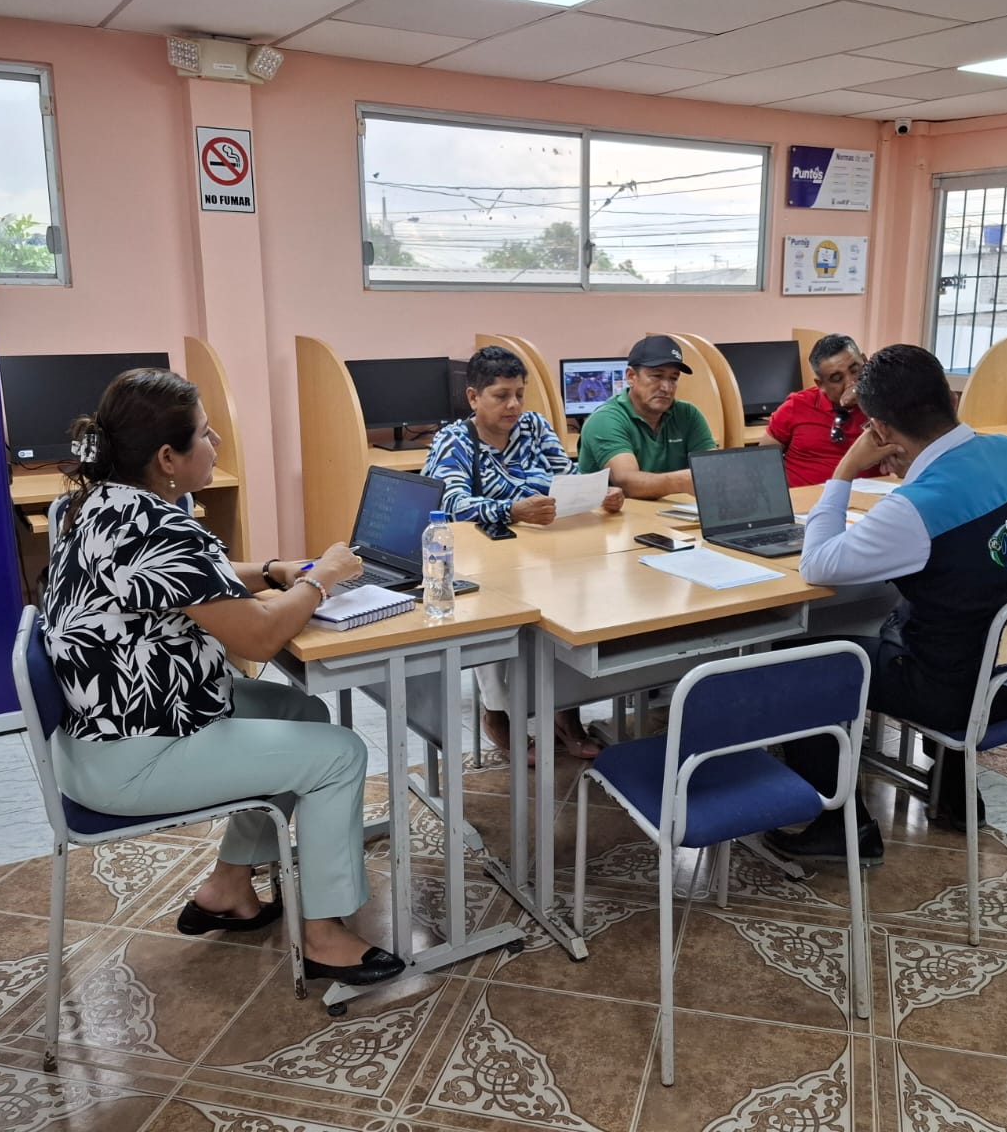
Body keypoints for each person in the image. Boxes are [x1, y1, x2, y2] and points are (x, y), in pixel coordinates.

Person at [41, 368, 403, 988]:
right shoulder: (158, 526)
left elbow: (191, 576)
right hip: (136, 754)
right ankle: (324, 936)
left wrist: (275, 571)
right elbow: (258, 638)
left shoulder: (105, 504)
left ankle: (229, 886)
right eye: (206, 435)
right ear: (167, 458)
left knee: (301, 713)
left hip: (117, 727)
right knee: (339, 754)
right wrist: (323, 579)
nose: (217, 445)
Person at [773, 345, 1007, 860]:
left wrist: (844, 471)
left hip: (960, 692)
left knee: (799, 661)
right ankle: (955, 791)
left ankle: (841, 828)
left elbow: (817, 564)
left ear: (878, 429)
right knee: (945, 610)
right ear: (951, 399)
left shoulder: (916, 508)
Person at [423, 345, 621, 762]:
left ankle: (566, 710)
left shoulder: (533, 426)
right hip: (485, 558)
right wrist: (511, 510)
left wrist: (598, 493)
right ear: (474, 397)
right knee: (495, 616)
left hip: (543, 549)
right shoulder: (454, 440)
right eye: (501, 396)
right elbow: (449, 504)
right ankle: (497, 714)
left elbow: (565, 475)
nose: (513, 405)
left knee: (574, 607)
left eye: (519, 394)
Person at [576, 334, 717, 497]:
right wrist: (685, 480)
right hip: (622, 513)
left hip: (673, 511)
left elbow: (712, 470)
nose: (666, 387)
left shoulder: (688, 415)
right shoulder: (605, 420)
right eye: (657, 376)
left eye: (673, 378)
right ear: (631, 377)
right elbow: (628, 483)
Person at [760, 334, 882, 487]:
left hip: (866, 498)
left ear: (865, 362)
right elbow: (763, 461)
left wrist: (867, 401)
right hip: (805, 498)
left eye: (855, 370)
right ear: (820, 384)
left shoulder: (884, 406)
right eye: (837, 379)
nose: (850, 383)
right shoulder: (796, 405)